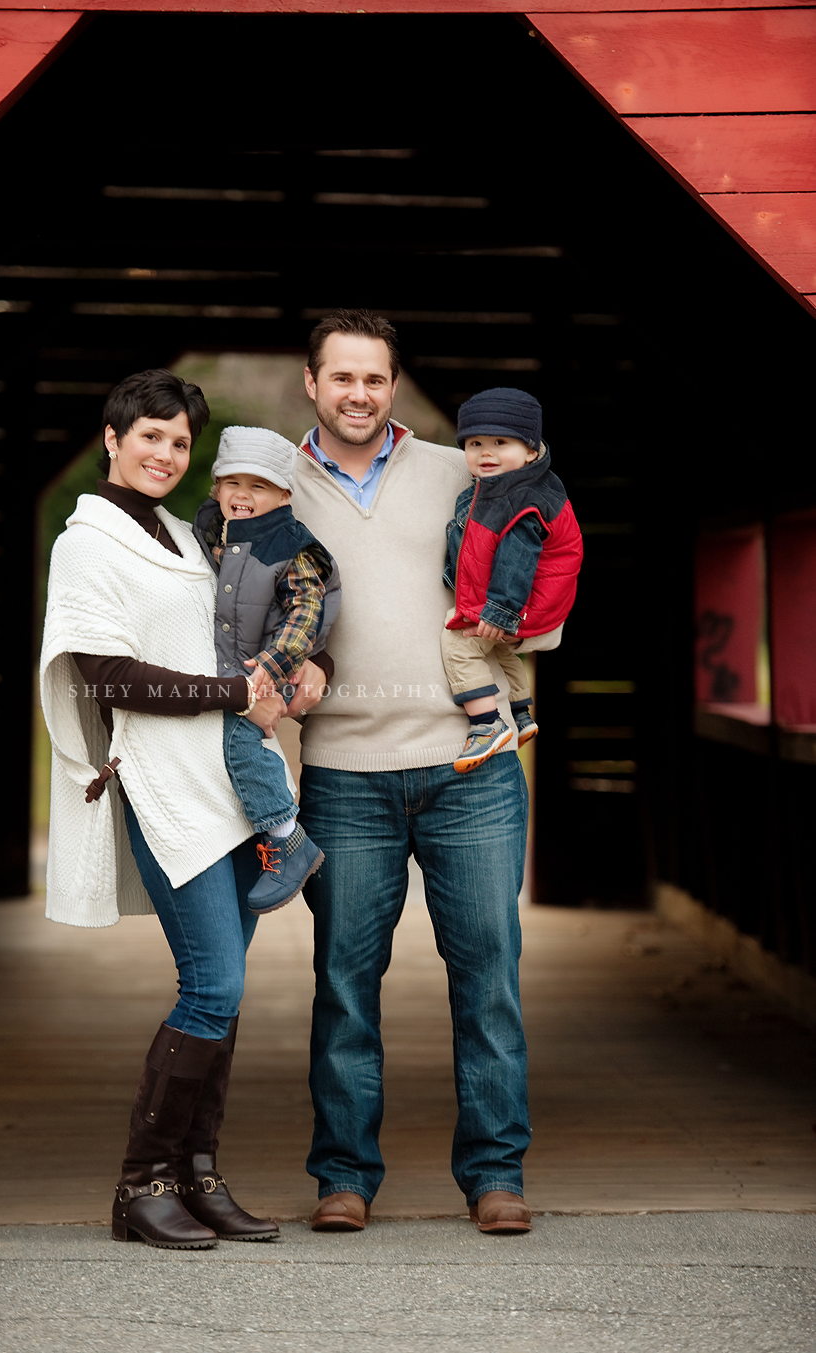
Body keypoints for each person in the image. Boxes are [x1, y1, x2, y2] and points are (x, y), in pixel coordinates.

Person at [40, 369, 299, 1250]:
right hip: (161, 782)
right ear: (112, 439)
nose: (164, 453)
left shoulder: (190, 540)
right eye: (149, 435)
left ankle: (199, 1175)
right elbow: (104, 675)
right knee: (212, 984)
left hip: (231, 785)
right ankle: (141, 1181)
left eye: (180, 441)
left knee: (224, 997)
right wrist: (235, 691)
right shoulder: (87, 544)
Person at [292, 310, 534, 1235]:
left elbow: (543, 544)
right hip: (342, 773)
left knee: (489, 976)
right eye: (342, 377)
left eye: (376, 379)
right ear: (311, 382)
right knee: (346, 984)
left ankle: (496, 1174)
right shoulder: (275, 483)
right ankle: (344, 1175)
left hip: (469, 765)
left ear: (394, 385)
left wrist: (524, 631)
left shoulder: (457, 467)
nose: (360, 393)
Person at [191, 425, 340, 914]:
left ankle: (286, 837)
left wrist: (272, 668)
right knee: (235, 746)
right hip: (235, 669)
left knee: (240, 742)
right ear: (216, 488)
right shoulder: (213, 533)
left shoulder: (289, 544)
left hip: (267, 666)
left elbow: (305, 612)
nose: (243, 495)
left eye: (258, 486)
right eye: (232, 483)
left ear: (283, 495)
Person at [441, 387, 583, 773]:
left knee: (458, 644)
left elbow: (517, 559)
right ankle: (521, 712)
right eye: (474, 443)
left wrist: (500, 611)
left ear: (531, 451)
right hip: (531, 602)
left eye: (500, 442)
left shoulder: (520, 500)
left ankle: (486, 723)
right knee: (500, 650)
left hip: (524, 602)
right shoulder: (514, 486)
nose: (485, 453)